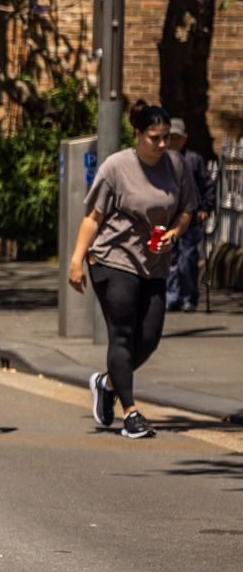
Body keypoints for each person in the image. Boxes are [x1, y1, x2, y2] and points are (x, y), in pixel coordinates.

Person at [69, 102, 198, 439]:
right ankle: (131, 413)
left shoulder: (177, 165)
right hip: (113, 258)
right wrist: (76, 260)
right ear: (138, 134)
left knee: (150, 338)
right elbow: (93, 217)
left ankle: (107, 382)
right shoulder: (117, 166)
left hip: (155, 262)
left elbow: (186, 210)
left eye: (167, 138)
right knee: (123, 335)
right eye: (154, 137)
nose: (161, 144)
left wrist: (175, 233)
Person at [164, 118, 216, 311]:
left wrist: (205, 208)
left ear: (184, 138)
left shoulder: (194, 160)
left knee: (188, 258)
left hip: (191, 217)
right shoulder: (162, 159)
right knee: (170, 258)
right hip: (169, 217)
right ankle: (172, 296)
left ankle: (189, 297)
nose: (173, 142)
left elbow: (208, 186)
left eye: (177, 138)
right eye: (170, 138)